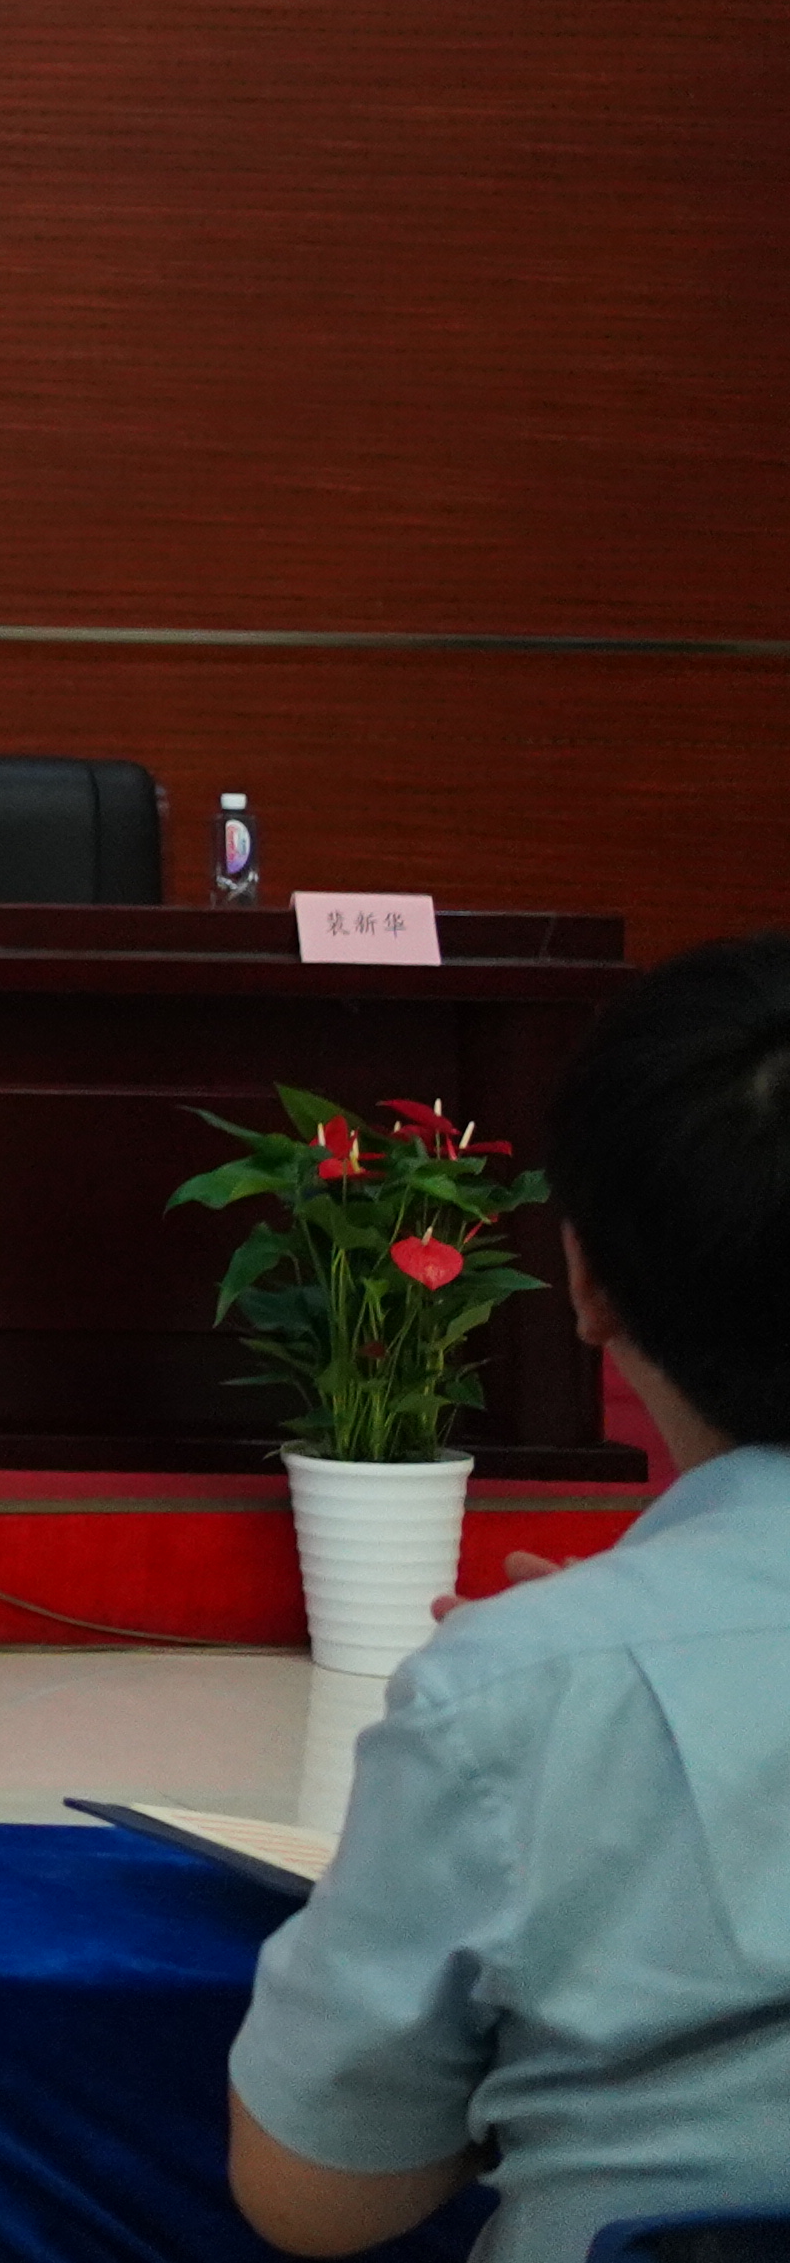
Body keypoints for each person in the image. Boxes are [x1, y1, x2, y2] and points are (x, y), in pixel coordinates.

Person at [230, 931, 790, 2263]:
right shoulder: (548, 1670)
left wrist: (576, 1664)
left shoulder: (512, 1688)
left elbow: (316, 2195)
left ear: (585, 1282)